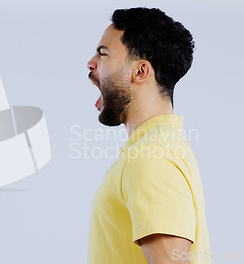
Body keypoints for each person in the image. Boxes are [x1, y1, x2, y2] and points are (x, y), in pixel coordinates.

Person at [86, 7, 211, 264]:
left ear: (140, 71)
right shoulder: (156, 148)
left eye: (103, 54)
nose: (91, 63)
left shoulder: (151, 158)